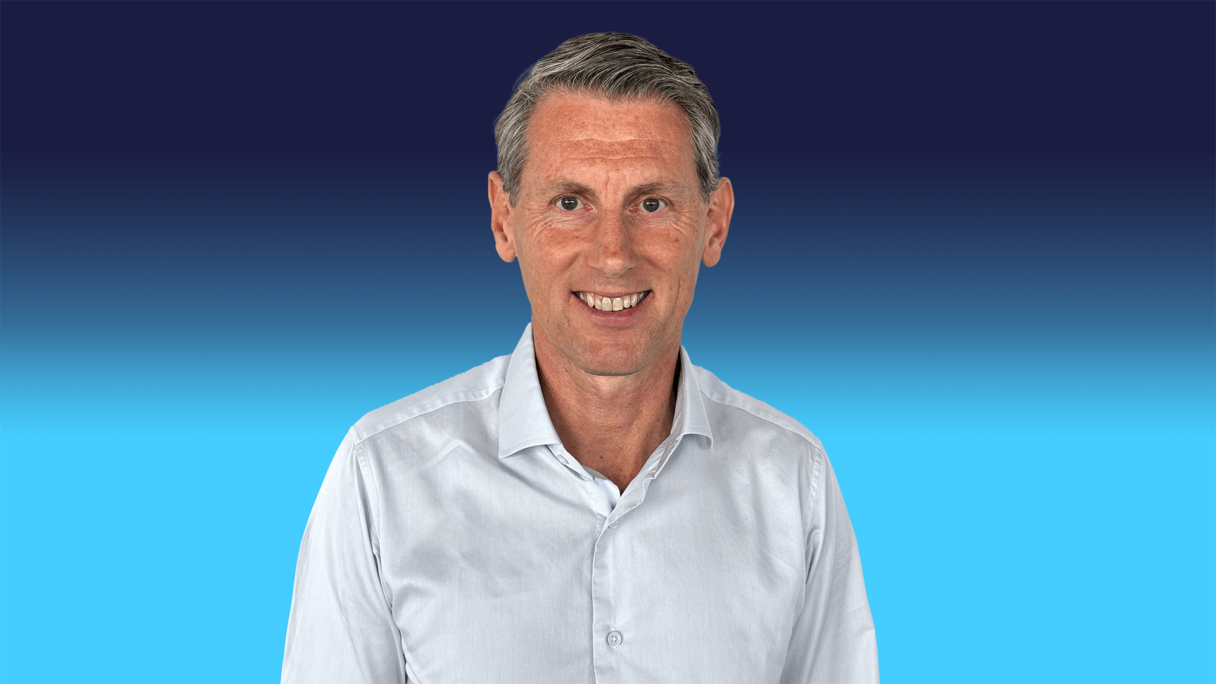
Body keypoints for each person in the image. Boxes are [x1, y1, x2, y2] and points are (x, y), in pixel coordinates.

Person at [282, 32, 878, 684]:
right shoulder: (381, 478)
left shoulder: (794, 483)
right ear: (504, 219)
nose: (613, 255)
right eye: (570, 203)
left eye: (651, 204)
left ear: (714, 223)